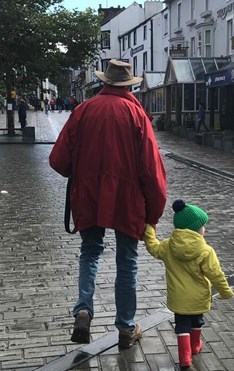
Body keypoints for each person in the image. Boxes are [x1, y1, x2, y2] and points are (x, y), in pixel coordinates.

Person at [49, 59, 167, 349]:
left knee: (89, 252)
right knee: (127, 262)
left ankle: (84, 310)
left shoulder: (83, 110)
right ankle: (126, 328)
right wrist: (153, 212)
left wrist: (81, 174)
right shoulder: (136, 115)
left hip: (88, 195)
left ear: (104, 82)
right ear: (128, 86)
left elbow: (58, 160)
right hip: (127, 199)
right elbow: (151, 170)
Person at [144, 199, 234, 369]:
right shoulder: (206, 251)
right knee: (197, 321)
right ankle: (195, 346)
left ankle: (184, 357)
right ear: (197, 230)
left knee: (182, 325)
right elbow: (216, 274)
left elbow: (152, 247)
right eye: (203, 226)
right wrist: (225, 291)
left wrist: (149, 228)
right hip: (198, 297)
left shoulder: (168, 246)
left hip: (178, 298)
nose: (204, 228)